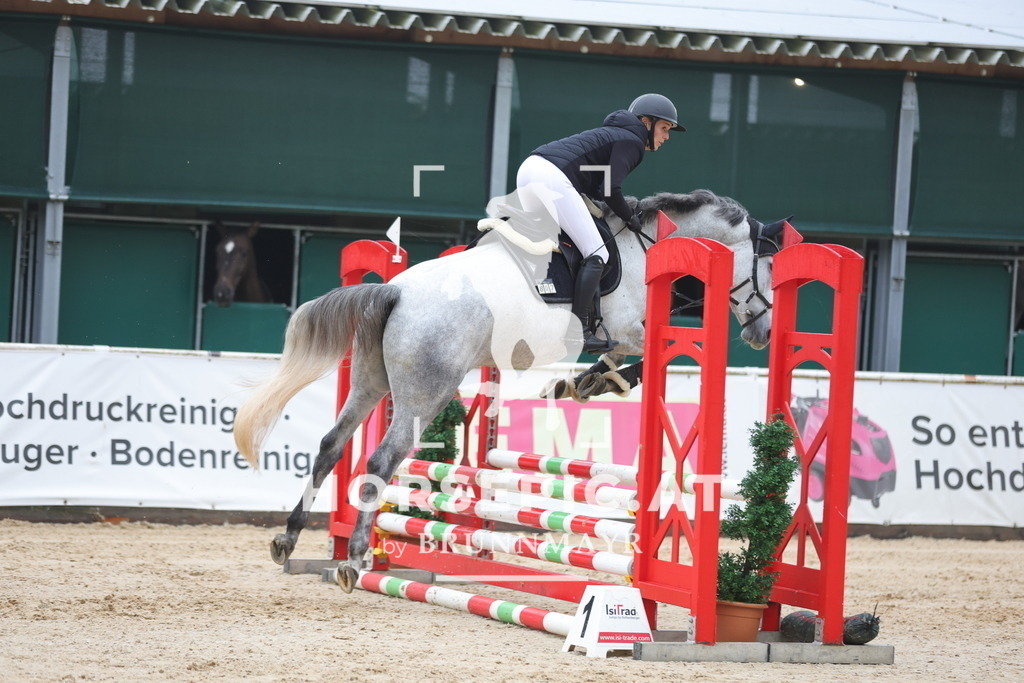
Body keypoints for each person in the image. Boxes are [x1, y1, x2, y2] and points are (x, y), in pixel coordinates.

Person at [515, 93, 684, 354]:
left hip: (529, 171)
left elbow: (597, 189)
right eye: (664, 128)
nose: (667, 136)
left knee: (568, 245)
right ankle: (578, 332)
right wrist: (630, 218)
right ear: (645, 122)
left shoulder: (614, 136)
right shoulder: (632, 141)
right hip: (551, 178)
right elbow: (610, 189)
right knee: (598, 252)